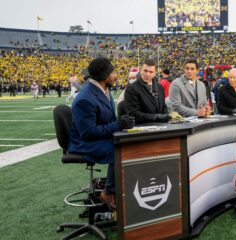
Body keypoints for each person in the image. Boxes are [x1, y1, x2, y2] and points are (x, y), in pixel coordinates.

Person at [68, 57, 135, 210]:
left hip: (98, 137)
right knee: (118, 150)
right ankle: (109, 192)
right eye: (113, 72)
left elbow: (107, 119)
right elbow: (88, 133)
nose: (116, 75)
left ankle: (120, 187)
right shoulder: (85, 98)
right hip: (83, 143)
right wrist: (118, 125)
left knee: (128, 143)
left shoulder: (103, 89)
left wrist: (122, 123)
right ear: (105, 76)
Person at [125, 59, 170, 124]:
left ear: (155, 73)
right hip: (143, 128)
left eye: (151, 72)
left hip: (161, 126)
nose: (147, 74)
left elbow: (163, 107)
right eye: (145, 71)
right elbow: (133, 114)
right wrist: (155, 117)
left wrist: (166, 116)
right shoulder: (131, 89)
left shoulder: (159, 87)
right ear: (140, 70)